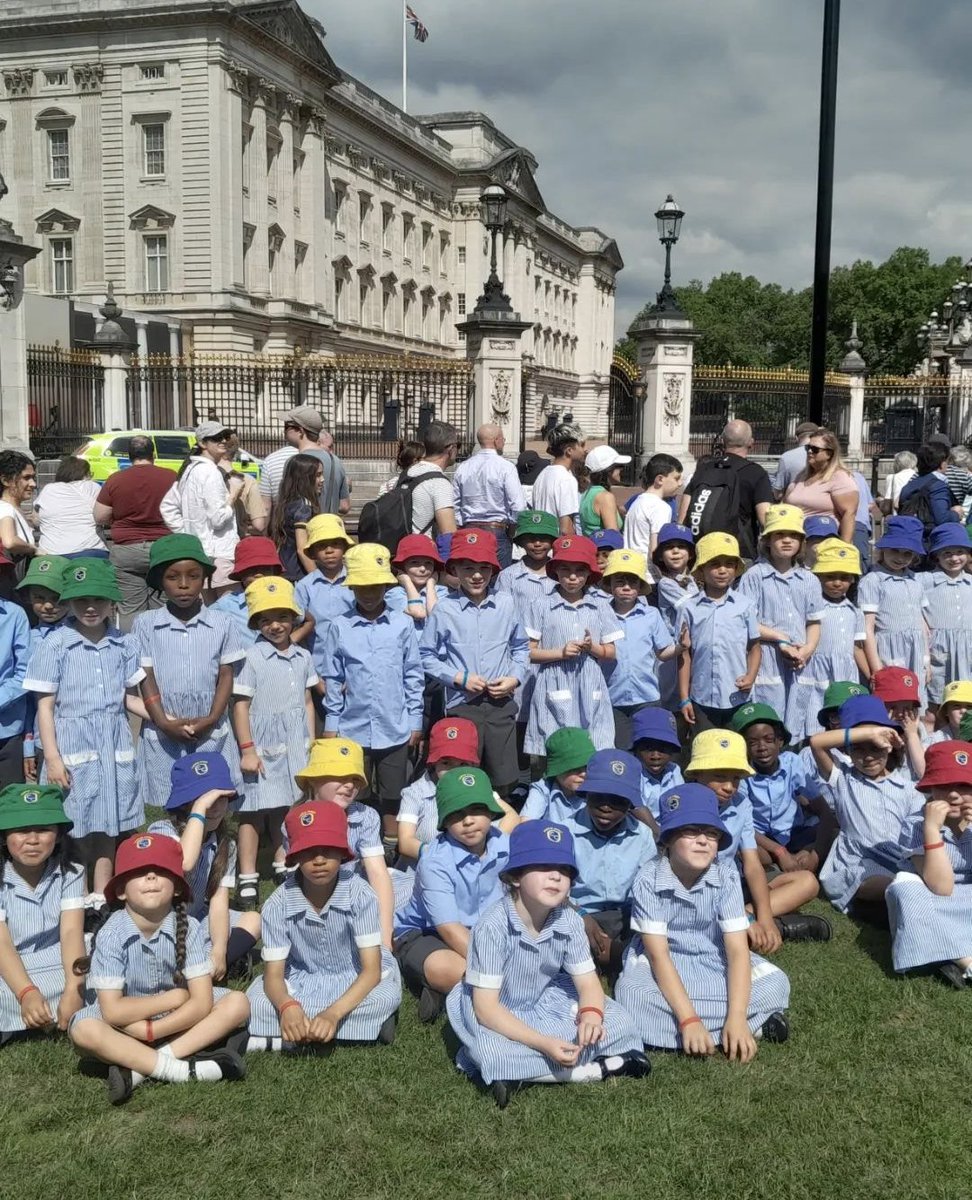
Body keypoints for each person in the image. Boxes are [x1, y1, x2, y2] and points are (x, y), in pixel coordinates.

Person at [446, 819, 647, 1106]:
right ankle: (597, 1069)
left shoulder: (568, 920)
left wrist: (591, 1014)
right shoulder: (492, 926)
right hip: (497, 1008)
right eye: (542, 866)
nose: (555, 877)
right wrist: (544, 1043)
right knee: (493, 1051)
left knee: (620, 1022)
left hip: (546, 998)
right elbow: (486, 1008)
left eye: (564, 870)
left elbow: (589, 982)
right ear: (515, 877)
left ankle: (522, 1075)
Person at [68, 832, 249, 1105]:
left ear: (176, 887)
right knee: (83, 1029)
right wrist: (168, 1001)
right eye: (139, 872)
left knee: (238, 1003)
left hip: (177, 1018)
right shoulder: (110, 934)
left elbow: (201, 1002)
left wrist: (155, 1031)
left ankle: (142, 1067)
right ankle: (181, 1069)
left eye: (160, 871)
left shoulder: (191, 928)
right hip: (126, 1024)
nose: (151, 878)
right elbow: (113, 1010)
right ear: (120, 890)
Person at [614, 783, 791, 1058]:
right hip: (662, 963)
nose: (703, 840)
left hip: (713, 956)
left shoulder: (727, 876)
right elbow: (658, 956)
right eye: (690, 831)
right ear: (669, 839)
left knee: (776, 982)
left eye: (711, 833)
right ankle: (743, 1027)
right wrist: (688, 1019)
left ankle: (726, 1028)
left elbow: (736, 950)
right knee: (633, 996)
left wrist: (737, 1015)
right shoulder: (648, 880)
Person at [24, 559, 143, 904]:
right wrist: (52, 757)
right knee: (75, 822)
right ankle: (74, 896)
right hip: (71, 742)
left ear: (112, 602)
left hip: (113, 741)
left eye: (99, 599)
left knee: (109, 820)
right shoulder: (56, 645)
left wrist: (164, 718)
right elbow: (45, 706)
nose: (91, 607)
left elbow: (128, 698)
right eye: (81, 600)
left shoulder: (124, 644)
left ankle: (101, 895)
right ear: (69, 602)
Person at [245, 801, 401, 1051]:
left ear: (342, 852)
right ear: (294, 856)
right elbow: (273, 975)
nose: (319, 860)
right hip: (302, 979)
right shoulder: (277, 904)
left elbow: (371, 971)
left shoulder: (361, 894)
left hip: (354, 974)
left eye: (328, 850)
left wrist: (333, 1013)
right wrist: (287, 1006)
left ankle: (290, 1036)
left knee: (386, 996)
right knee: (256, 1000)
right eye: (308, 852)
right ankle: (356, 1032)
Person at [318, 544, 424, 852]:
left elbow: (413, 675)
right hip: (353, 726)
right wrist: (333, 721)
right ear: (352, 587)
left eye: (375, 586)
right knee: (352, 791)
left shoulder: (402, 624)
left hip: (394, 725)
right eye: (362, 587)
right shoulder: (340, 626)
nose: (368, 593)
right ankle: (352, 845)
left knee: (393, 792)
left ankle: (392, 848)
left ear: (385, 586)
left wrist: (415, 719)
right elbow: (334, 677)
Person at [133, 534, 245, 811]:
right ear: (160, 580)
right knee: (170, 804)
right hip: (164, 726)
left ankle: (215, 853)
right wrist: (162, 721)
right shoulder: (145, 624)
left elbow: (226, 675)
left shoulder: (222, 623)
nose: (183, 585)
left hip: (210, 727)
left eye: (193, 576)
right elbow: (145, 676)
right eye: (173, 577)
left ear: (205, 578)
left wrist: (212, 718)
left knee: (214, 801)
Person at [684, 729, 825, 943]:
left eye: (736, 778)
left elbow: (751, 864)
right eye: (720, 777)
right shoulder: (681, 805)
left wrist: (765, 919)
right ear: (697, 773)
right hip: (696, 893)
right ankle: (754, 925)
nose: (729, 787)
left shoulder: (741, 804)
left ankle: (747, 919)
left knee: (807, 882)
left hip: (734, 884)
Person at [393, 767, 510, 1023]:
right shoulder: (435, 861)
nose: (468, 821)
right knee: (452, 969)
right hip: (427, 933)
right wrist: (498, 966)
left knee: (497, 972)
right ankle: (448, 985)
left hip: (485, 932)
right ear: (444, 821)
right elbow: (448, 929)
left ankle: (444, 993)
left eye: (477, 810)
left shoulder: (505, 845)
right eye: (456, 814)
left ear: (491, 812)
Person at [419, 529, 529, 796]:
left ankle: (500, 826)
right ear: (455, 569)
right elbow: (425, 656)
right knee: (464, 770)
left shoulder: (506, 604)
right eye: (468, 568)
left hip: (501, 702)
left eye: (484, 568)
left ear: (493, 570)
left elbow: (521, 647)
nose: (477, 575)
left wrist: (513, 678)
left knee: (503, 776)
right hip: (462, 705)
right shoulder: (444, 610)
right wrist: (458, 678)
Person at [231, 577, 317, 906]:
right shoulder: (251, 658)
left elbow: (307, 701)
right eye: (265, 620)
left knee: (289, 801)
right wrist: (247, 748)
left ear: (293, 618)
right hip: (262, 740)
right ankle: (249, 874)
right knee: (252, 809)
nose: (275, 626)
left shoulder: (302, 657)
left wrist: (310, 740)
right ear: (255, 624)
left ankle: (283, 860)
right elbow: (241, 705)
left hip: (295, 738)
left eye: (281, 617)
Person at [148, 753, 261, 979]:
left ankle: (210, 968)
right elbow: (185, 863)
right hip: (160, 925)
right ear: (185, 802)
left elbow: (219, 901)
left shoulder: (224, 844)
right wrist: (199, 809)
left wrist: (219, 950)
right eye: (206, 799)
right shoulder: (161, 831)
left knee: (254, 920)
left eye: (221, 798)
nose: (216, 806)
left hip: (196, 919)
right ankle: (200, 974)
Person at [810, 695, 922, 915]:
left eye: (874, 747)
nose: (868, 757)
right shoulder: (843, 778)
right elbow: (816, 742)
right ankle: (898, 899)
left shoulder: (906, 787)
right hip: (859, 862)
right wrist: (872, 732)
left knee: (915, 879)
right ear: (847, 749)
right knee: (896, 883)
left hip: (897, 858)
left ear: (889, 745)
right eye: (858, 749)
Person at [0, 784, 86, 1043]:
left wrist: (73, 988)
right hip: (8, 963)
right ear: (4, 836)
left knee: (98, 966)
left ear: (59, 835)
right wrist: (26, 991)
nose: (33, 839)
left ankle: (31, 1018)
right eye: (22, 830)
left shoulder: (71, 872)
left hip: (55, 959)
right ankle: (38, 1011)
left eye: (43, 830)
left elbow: (72, 932)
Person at [294, 738, 396, 950]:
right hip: (314, 894)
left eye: (355, 780)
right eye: (340, 776)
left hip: (357, 890)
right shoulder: (298, 819)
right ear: (313, 779)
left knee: (401, 886)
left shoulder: (365, 816)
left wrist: (384, 937)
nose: (349, 785)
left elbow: (377, 872)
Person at [885, 741, 972, 987]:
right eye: (945, 785)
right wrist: (932, 829)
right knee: (903, 886)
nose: (954, 794)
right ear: (931, 787)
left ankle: (941, 951)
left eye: (964, 785)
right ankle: (964, 959)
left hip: (967, 898)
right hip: (932, 898)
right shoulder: (915, 825)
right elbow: (941, 887)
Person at [524, 535, 620, 757]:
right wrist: (560, 652)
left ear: (589, 573)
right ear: (556, 571)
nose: (573, 577)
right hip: (554, 679)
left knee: (594, 742)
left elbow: (611, 652)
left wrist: (592, 648)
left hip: (589, 679)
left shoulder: (600, 606)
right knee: (556, 743)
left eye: (580, 570)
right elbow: (528, 651)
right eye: (565, 570)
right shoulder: (541, 605)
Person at [567, 751, 658, 977]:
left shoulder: (642, 835)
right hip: (580, 913)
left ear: (630, 804)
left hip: (627, 914)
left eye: (618, 801)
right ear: (586, 794)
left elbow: (648, 888)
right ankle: (610, 959)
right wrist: (581, 917)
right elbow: (552, 891)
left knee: (652, 942)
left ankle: (613, 957)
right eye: (599, 797)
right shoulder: (566, 832)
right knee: (569, 939)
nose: (606, 807)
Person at [736, 504, 823, 721]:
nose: (787, 540)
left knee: (799, 716)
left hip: (800, 660)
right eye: (779, 535)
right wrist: (780, 638)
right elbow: (747, 622)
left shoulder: (809, 580)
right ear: (766, 540)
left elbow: (814, 622)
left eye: (793, 535)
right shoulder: (754, 576)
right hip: (767, 658)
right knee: (769, 716)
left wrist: (807, 650)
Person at [92, 434, 179, 629]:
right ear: (153, 453)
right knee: (164, 608)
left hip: (127, 550)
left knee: (131, 610)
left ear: (129, 455)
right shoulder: (171, 477)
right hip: (164, 550)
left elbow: (99, 516)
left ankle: (134, 653)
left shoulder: (116, 479)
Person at [786, 538, 868, 742]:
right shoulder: (812, 606)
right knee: (814, 717)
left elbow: (857, 648)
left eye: (844, 577)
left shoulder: (855, 611)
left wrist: (871, 674)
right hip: (815, 671)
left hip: (844, 674)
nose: (837, 583)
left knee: (844, 720)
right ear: (817, 577)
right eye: (830, 576)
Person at [678, 533, 760, 730]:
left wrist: (751, 676)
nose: (722, 570)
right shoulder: (688, 608)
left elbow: (755, 647)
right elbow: (684, 655)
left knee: (737, 752)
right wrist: (684, 698)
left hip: (737, 695)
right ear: (702, 569)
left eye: (729, 564)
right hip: (702, 697)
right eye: (714, 564)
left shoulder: (745, 605)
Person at [730, 703, 823, 874]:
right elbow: (742, 822)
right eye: (752, 742)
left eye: (768, 739)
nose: (762, 747)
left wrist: (811, 853)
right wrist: (779, 851)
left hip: (794, 832)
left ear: (780, 740)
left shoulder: (793, 762)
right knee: (741, 845)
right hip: (761, 837)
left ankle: (801, 858)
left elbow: (821, 808)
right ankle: (776, 865)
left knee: (828, 830)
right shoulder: (741, 773)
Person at [600, 548, 679, 749]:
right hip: (612, 697)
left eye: (632, 582)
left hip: (647, 696)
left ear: (640, 586)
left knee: (648, 747)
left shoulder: (651, 615)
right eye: (620, 582)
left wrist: (681, 647)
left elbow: (663, 652)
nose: (626, 587)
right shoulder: (600, 614)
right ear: (610, 585)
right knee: (622, 749)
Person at [160, 422, 244, 595]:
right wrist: (233, 494)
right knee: (229, 609)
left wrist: (188, 532)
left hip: (199, 551)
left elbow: (167, 506)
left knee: (206, 609)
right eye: (216, 438)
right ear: (202, 443)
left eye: (225, 437)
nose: (222, 441)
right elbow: (218, 519)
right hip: (219, 552)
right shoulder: (210, 472)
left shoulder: (190, 469)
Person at [677, 420, 773, 563]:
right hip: (738, 554)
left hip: (701, 551)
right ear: (751, 442)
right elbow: (766, 519)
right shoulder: (756, 473)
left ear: (722, 441)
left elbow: (683, 516)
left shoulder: (704, 469)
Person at [859, 516, 930, 707]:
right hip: (888, 651)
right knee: (892, 702)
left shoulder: (915, 580)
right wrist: (877, 668)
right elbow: (868, 627)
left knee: (916, 703)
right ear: (883, 549)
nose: (900, 558)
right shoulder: (873, 581)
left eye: (907, 553)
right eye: (895, 551)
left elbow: (921, 621)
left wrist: (926, 660)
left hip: (915, 651)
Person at [18, 555, 68, 783]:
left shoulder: (83, 635)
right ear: (28, 598)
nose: (48, 605)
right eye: (39, 598)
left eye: (56, 598)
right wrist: (28, 746)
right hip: (42, 739)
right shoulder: (29, 640)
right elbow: (29, 700)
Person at [451, 423, 526, 570]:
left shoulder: (464, 467)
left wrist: (461, 523)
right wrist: (512, 527)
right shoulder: (506, 466)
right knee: (498, 580)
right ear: (497, 440)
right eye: (503, 438)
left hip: (469, 528)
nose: (504, 441)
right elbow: (518, 505)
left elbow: (454, 503)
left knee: (472, 576)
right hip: (496, 529)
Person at [259, 406, 350, 517]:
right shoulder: (335, 460)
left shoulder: (296, 462)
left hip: (303, 531)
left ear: (300, 431)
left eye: (287, 426)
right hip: (328, 529)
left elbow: (288, 503)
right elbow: (344, 505)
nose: (284, 431)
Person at [291, 514, 356, 660]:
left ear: (345, 547)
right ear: (313, 552)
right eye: (321, 546)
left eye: (335, 544)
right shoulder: (304, 587)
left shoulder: (355, 582)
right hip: (318, 662)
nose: (329, 551)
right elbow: (297, 625)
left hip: (352, 661)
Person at [923, 525, 972, 711]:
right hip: (940, 651)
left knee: (966, 705)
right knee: (934, 706)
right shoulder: (924, 580)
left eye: (960, 552)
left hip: (968, 650)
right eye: (947, 553)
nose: (954, 558)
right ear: (937, 556)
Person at [783, 427, 859, 543]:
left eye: (815, 449)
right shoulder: (801, 476)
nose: (809, 451)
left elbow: (849, 514)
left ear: (829, 453)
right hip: (796, 541)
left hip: (823, 542)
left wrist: (845, 548)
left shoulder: (840, 477)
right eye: (808, 447)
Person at [651, 523, 698, 708]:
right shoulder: (665, 583)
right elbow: (690, 606)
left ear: (691, 554)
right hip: (672, 648)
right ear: (661, 556)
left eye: (682, 547)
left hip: (693, 647)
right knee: (670, 698)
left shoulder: (695, 581)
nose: (676, 552)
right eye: (670, 548)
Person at [209, 536, 286, 645]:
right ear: (241, 574)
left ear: (274, 571)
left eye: (266, 569)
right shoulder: (225, 606)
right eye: (252, 570)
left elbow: (302, 619)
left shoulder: (285, 597)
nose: (259, 574)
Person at [33, 456, 104, 558]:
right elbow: (104, 514)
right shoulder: (92, 487)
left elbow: (35, 519)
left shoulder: (49, 489)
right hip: (90, 548)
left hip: (51, 551)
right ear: (85, 474)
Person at [521, 727, 595, 824]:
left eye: (587, 767)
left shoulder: (596, 788)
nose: (583, 773)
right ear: (556, 771)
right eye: (575, 768)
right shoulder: (544, 789)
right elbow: (524, 824)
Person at [267, 453, 323, 580]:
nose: (322, 479)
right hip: (298, 574)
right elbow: (302, 548)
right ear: (305, 478)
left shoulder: (287, 503)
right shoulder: (303, 507)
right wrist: (318, 579)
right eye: (318, 475)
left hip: (283, 569)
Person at [404, 420, 458, 537]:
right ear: (450, 449)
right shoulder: (439, 483)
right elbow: (448, 535)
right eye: (457, 446)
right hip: (424, 551)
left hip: (404, 548)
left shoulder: (409, 472)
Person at [531, 423, 586, 536]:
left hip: (543, 541)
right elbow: (566, 528)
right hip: (559, 547)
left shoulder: (543, 474)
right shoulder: (566, 479)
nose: (585, 450)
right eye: (582, 445)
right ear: (569, 450)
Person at [623, 455, 683, 556]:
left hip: (632, 566)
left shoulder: (637, 501)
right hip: (648, 570)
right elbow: (656, 549)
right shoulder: (660, 507)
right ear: (660, 479)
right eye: (676, 478)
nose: (680, 483)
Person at [630, 707, 684, 816]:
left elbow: (681, 805)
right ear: (636, 750)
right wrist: (658, 832)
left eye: (663, 749)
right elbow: (637, 809)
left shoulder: (674, 771)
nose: (655, 756)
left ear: (672, 750)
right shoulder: (632, 774)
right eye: (648, 748)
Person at [387, 533, 448, 627]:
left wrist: (431, 585)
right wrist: (407, 582)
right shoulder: (394, 594)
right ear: (402, 566)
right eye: (414, 562)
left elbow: (436, 616)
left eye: (428, 563)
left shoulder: (442, 592)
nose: (423, 569)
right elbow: (418, 613)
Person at [898, 443, 963, 531]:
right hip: (930, 538)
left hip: (909, 535)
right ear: (942, 464)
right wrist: (956, 513)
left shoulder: (909, 485)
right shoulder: (938, 486)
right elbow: (942, 518)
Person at [578, 444, 630, 538]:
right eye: (620, 466)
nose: (622, 470)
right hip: (603, 551)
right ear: (609, 470)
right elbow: (613, 537)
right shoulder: (605, 497)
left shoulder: (588, 492)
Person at [0, 449, 37, 568]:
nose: (33, 484)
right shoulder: (5, 508)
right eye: (26, 478)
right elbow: (9, 541)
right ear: (6, 480)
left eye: (33, 477)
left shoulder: (12, 508)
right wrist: (34, 550)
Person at [771, 421, 819, 499]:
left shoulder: (786, 457)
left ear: (796, 438)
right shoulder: (826, 455)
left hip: (794, 507)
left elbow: (778, 494)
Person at [879, 450, 917, 517]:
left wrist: (880, 502)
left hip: (898, 519)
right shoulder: (919, 477)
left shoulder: (892, 478)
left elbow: (887, 509)